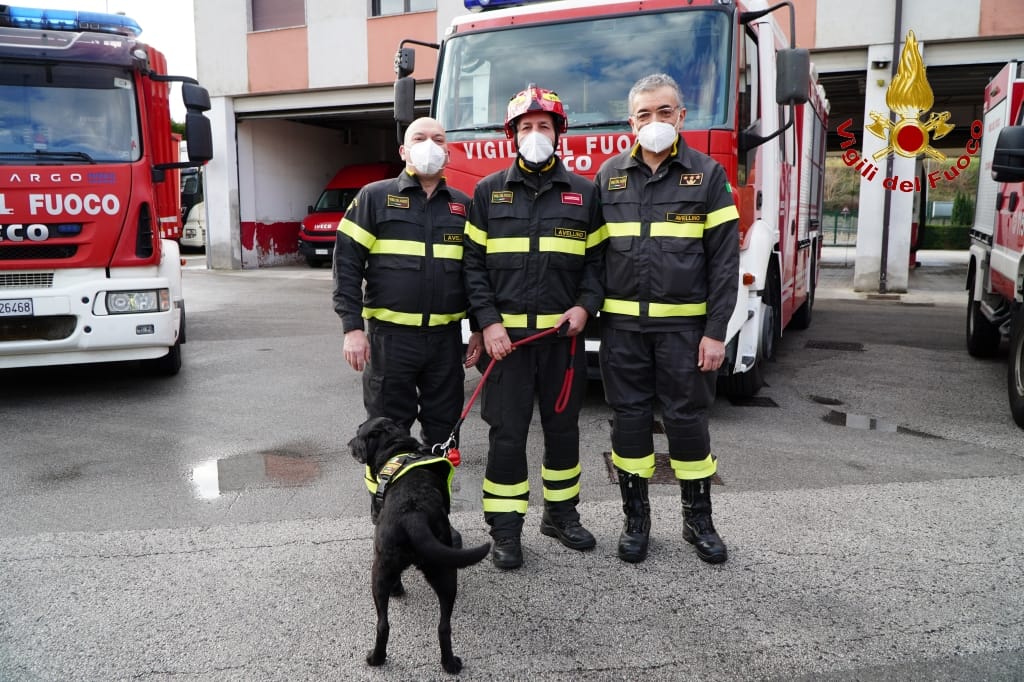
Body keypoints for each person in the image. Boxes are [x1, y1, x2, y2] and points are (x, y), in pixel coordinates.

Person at [594, 73, 739, 565]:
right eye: (644, 114)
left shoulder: (708, 175)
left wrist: (716, 332)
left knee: (688, 423)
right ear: (630, 121)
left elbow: (724, 263)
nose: (654, 122)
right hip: (623, 332)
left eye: (664, 112)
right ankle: (636, 521)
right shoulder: (608, 176)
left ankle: (699, 521)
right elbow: (593, 258)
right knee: (629, 425)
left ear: (681, 116)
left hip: (685, 333)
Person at [463, 85, 605, 570]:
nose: (535, 134)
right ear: (512, 135)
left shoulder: (585, 194)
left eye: (544, 126)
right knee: (507, 436)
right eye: (526, 127)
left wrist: (586, 307)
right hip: (506, 347)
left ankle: (561, 516)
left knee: (563, 431)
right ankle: (505, 531)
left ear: (559, 133)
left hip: (562, 346)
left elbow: (599, 262)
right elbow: (473, 267)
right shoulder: (487, 192)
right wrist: (488, 324)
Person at [333, 116, 482, 523]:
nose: (429, 144)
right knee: (384, 437)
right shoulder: (374, 197)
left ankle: (435, 516)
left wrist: (479, 328)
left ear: (448, 152)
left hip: (444, 342)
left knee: (443, 435)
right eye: (419, 137)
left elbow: (474, 274)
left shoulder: (464, 207)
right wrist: (352, 328)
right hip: (389, 341)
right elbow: (347, 264)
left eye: (438, 139)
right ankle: (386, 522)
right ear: (403, 150)